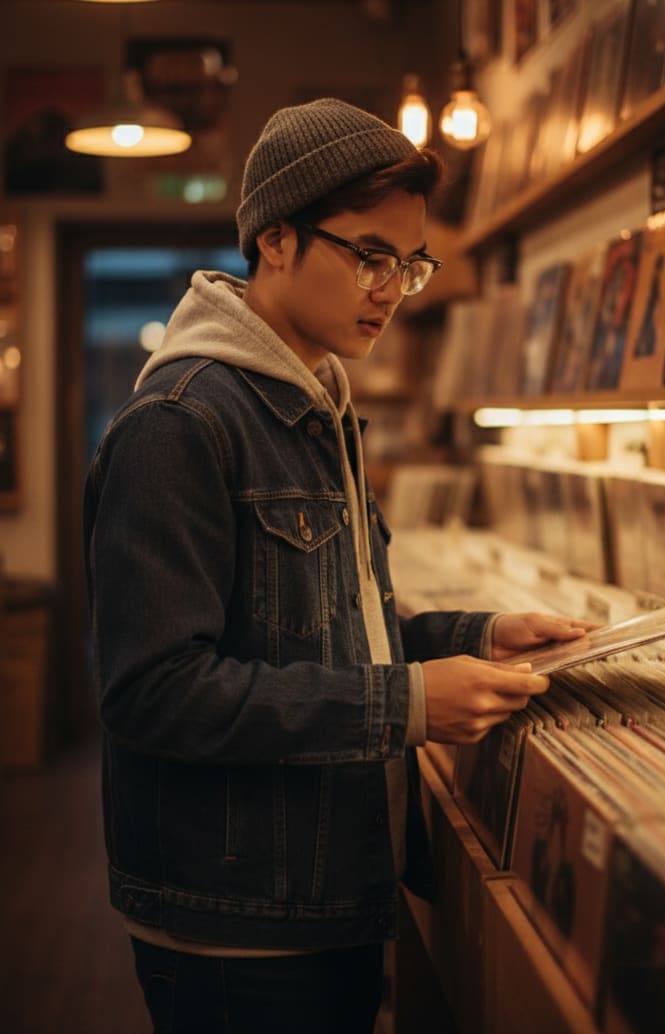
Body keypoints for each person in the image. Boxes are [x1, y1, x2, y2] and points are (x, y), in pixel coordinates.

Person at [83, 97, 594, 1034]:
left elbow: (324, 627)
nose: (395, 288)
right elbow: (151, 690)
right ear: (274, 240)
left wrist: (475, 635)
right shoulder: (183, 423)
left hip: (322, 895)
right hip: (237, 929)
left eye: (412, 263)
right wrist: (406, 706)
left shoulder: (312, 399)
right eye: (370, 255)